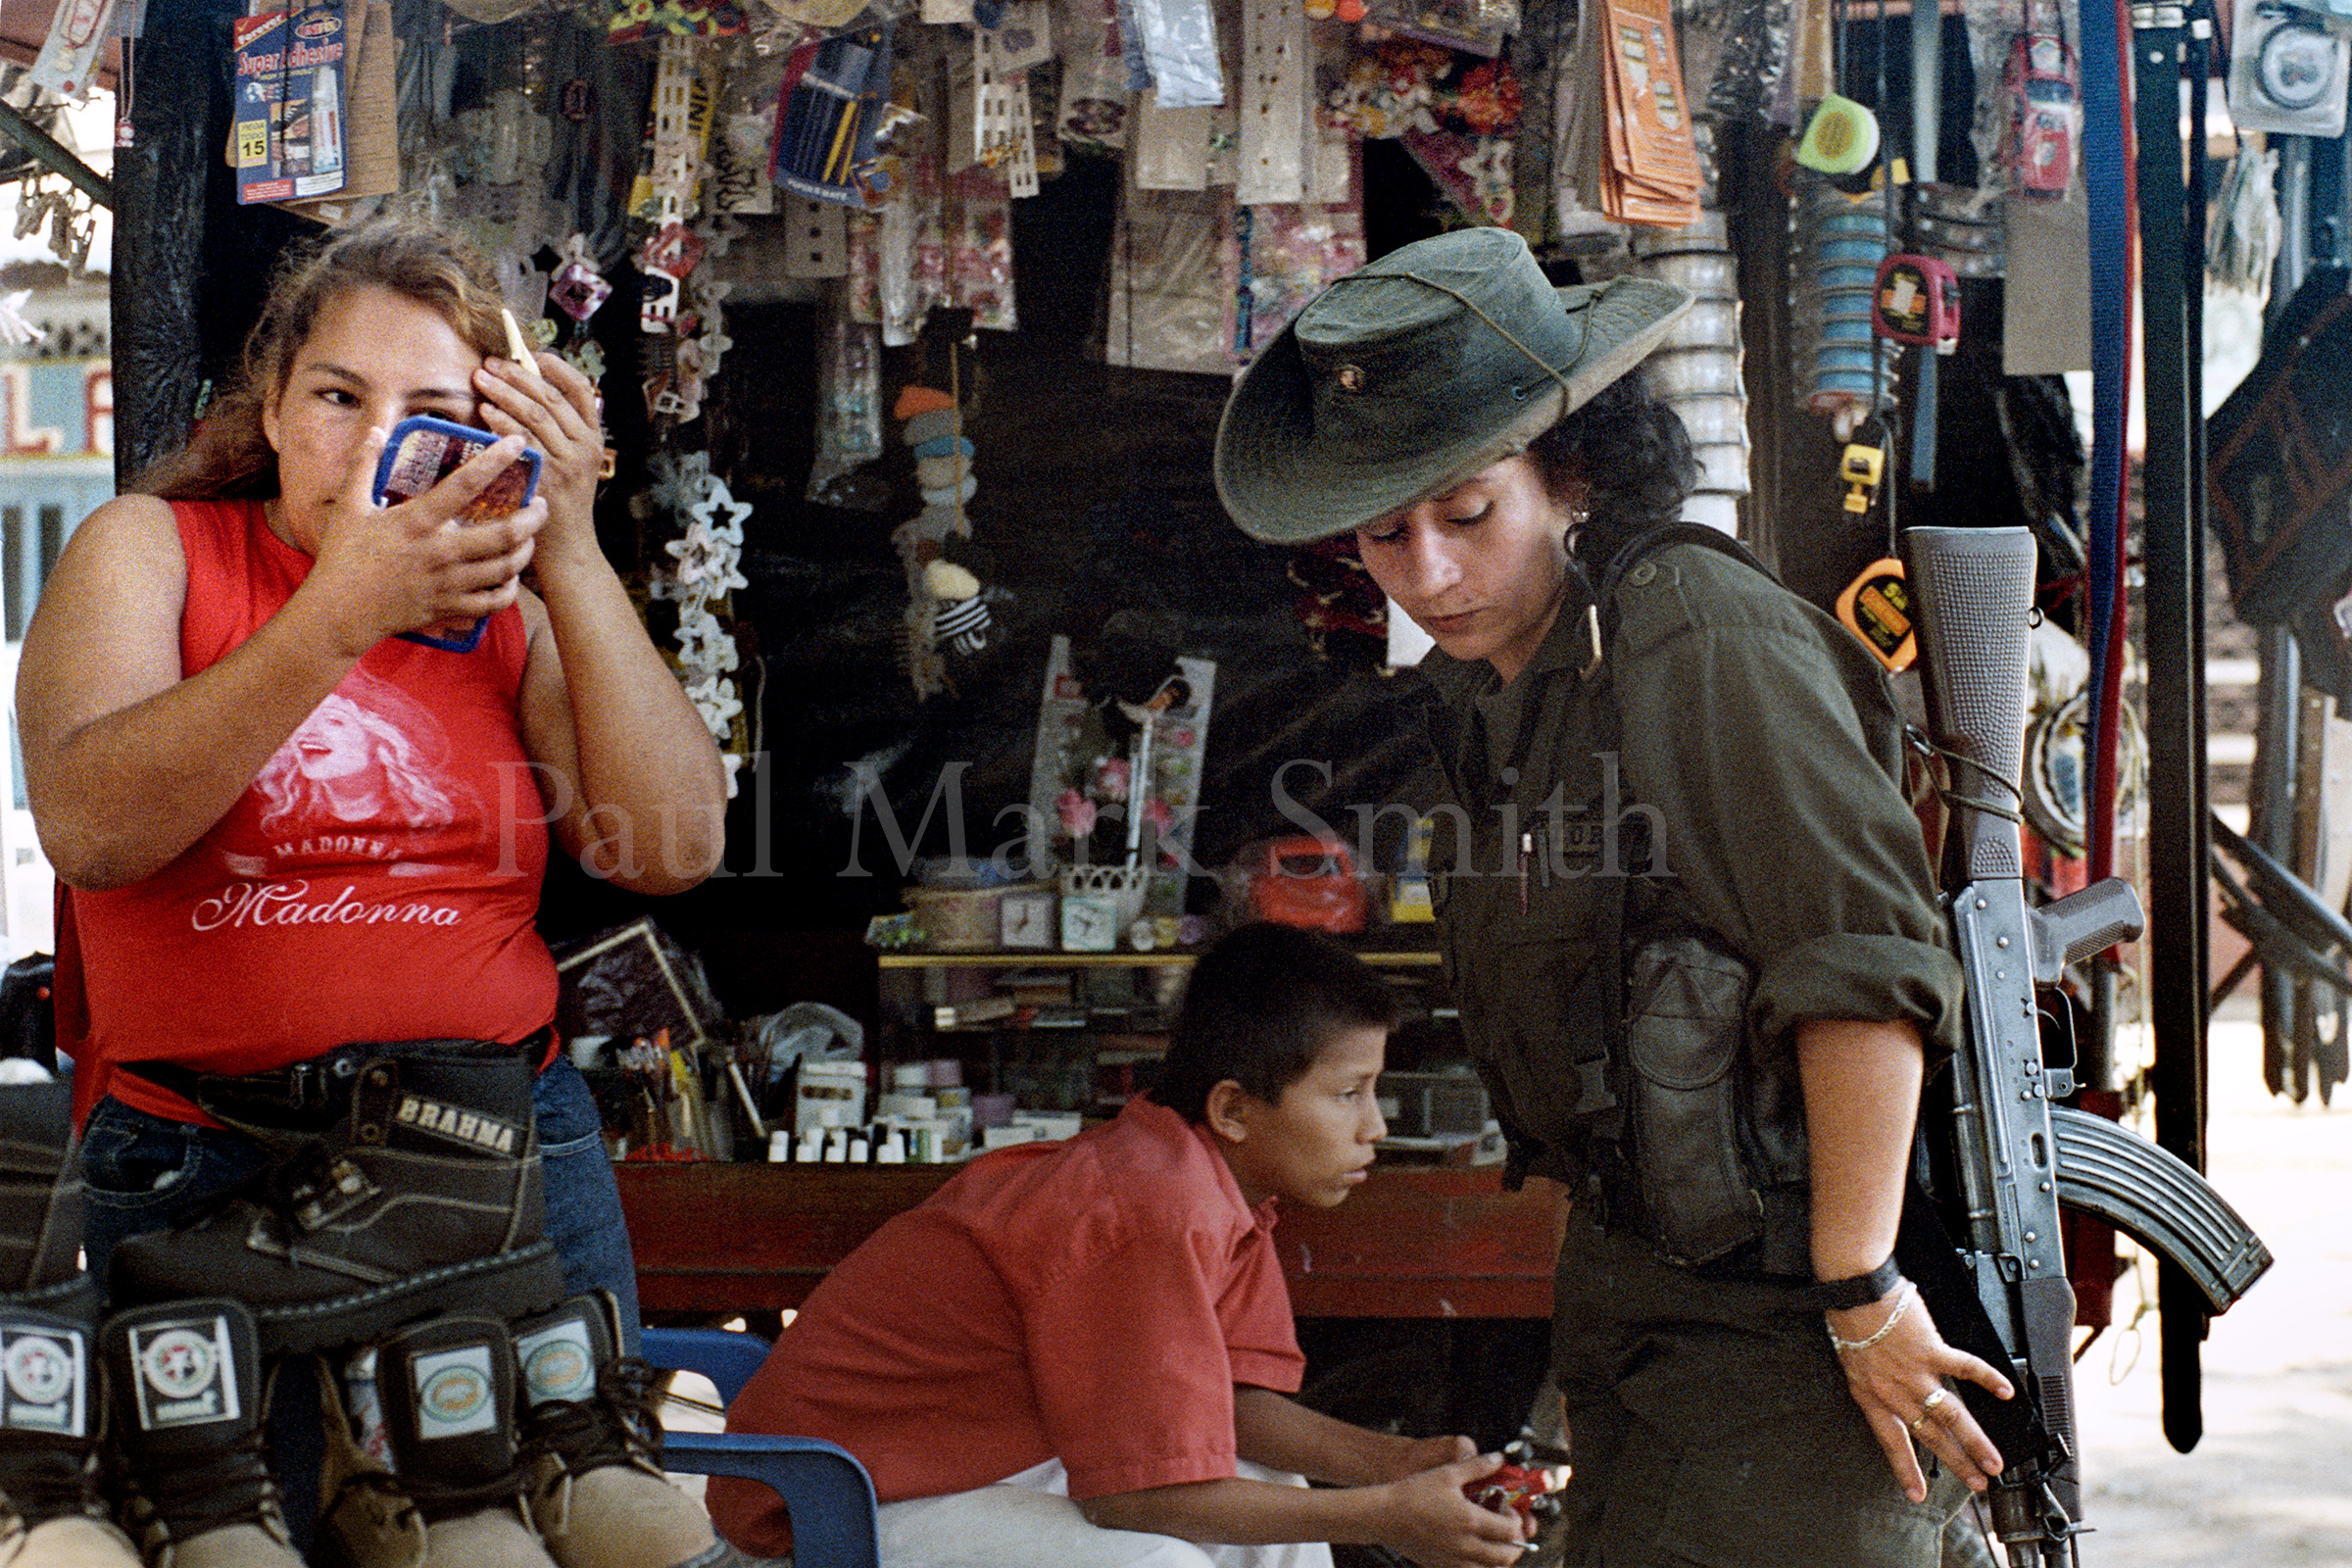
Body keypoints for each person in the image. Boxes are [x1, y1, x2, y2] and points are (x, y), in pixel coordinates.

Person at [1211, 226, 2015, 1568]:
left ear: (1573, 473)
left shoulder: (1693, 635)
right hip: (1637, 1312)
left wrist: (1865, 1290)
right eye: (1385, 532)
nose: (1427, 573)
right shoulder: (1502, 695)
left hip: (1796, 1331)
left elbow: (1865, 974)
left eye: (1467, 513)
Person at [11, 219, 730, 1566]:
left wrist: (569, 548)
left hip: (499, 1151)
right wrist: (339, 610)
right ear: (274, 401)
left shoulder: (509, 602)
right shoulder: (152, 550)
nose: (378, 442)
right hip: (200, 1163)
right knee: (226, 1535)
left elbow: (669, 849)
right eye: (341, 396)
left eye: (438, 414)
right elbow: (96, 831)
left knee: (547, 1533)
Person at [709, 921, 1534, 1568]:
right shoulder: (1153, 1206)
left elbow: (1230, 1407)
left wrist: (1399, 1465)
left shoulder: (1215, 1188)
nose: (1377, 1126)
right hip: (826, 1500)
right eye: (1348, 1093)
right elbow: (1135, 1502)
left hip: (974, 1470)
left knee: (1271, 1505)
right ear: (1235, 1110)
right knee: (1157, 1560)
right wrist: (1386, 1517)